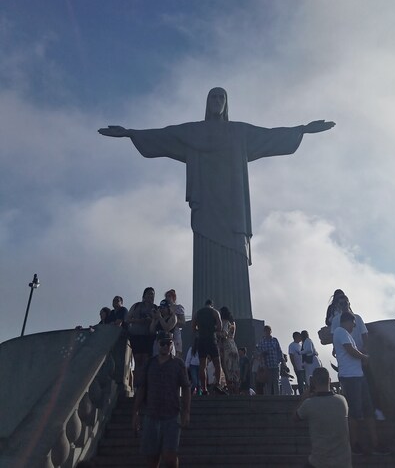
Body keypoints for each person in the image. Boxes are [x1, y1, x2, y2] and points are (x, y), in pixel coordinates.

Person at [99, 88, 335, 318]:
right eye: (213, 96)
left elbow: (269, 135)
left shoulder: (239, 132)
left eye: (221, 96)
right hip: (206, 206)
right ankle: (205, 312)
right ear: (207, 102)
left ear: (226, 103)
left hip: (233, 207)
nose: (217, 100)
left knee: (235, 251)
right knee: (205, 255)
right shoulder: (193, 132)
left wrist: (302, 130)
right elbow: (164, 135)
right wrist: (131, 133)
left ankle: (238, 314)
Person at [333, 311, 389, 456]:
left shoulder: (347, 334)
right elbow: (350, 350)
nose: (354, 326)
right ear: (348, 321)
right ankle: (354, 444)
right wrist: (364, 357)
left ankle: (375, 443)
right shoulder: (340, 332)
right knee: (355, 413)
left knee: (368, 410)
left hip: (358, 375)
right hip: (350, 377)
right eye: (353, 323)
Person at [133, 331, 191, 468]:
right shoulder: (149, 364)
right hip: (151, 415)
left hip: (172, 415)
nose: (165, 346)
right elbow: (142, 388)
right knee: (152, 459)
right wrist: (135, 412)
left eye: (168, 343)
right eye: (162, 343)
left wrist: (186, 411)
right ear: (157, 344)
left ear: (172, 345)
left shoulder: (178, 364)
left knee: (170, 458)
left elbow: (186, 388)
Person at [295, 367, 352, 468]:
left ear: (313, 382)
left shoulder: (309, 404)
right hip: (343, 462)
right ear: (329, 381)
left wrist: (305, 395)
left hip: (319, 462)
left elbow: (295, 417)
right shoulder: (342, 401)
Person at [192, 299, 223, 394]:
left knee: (202, 365)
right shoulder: (214, 312)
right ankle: (217, 384)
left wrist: (200, 330)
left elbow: (193, 328)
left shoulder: (197, 313)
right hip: (211, 339)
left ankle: (204, 388)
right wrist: (212, 328)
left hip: (202, 339)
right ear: (211, 305)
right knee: (217, 363)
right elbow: (220, 327)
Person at [127, 287, 157, 386]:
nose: (151, 296)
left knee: (146, 361)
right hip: (136, 335)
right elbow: (128, 319)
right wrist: (139, 321)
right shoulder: (136, 306)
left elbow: (158, 320)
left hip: (148, 336)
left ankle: (145, 385)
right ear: (144, 296)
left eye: (152, 294)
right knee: (137, 360)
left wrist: (151, 319)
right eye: (149, 294)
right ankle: (137, 386)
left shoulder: (155, 308)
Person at [218, 306, 240, 394]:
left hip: (226, 347)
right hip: (233, 346)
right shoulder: (233, 323)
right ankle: (236, 390)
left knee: (227, 369)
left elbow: (224, 334)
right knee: (235, 370)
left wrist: (216, 333)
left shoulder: (225, 322)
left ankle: (230, 390)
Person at [257, 325, 283, 395]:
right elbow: (259, 354)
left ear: (271, 331)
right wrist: (263, 355)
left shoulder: (275, 340)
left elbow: (279, 351)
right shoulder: (262, 342)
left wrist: (282, 361)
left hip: (275, 364)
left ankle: (277, 397)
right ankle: (269, 398)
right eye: (266, 331)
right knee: (268, 383)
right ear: (264, 332)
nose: (267, 332)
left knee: (276, 382)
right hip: (267, 365)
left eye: (268, 330)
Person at [164, 289, 185, 358]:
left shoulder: (178, 307)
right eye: (166, 296)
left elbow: (182, 322)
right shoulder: (163, 307)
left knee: (176, 354)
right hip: (165, 332)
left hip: (175, 332)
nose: (167, 298)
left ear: (174, 298)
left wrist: (173, 319)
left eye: (169, 296)